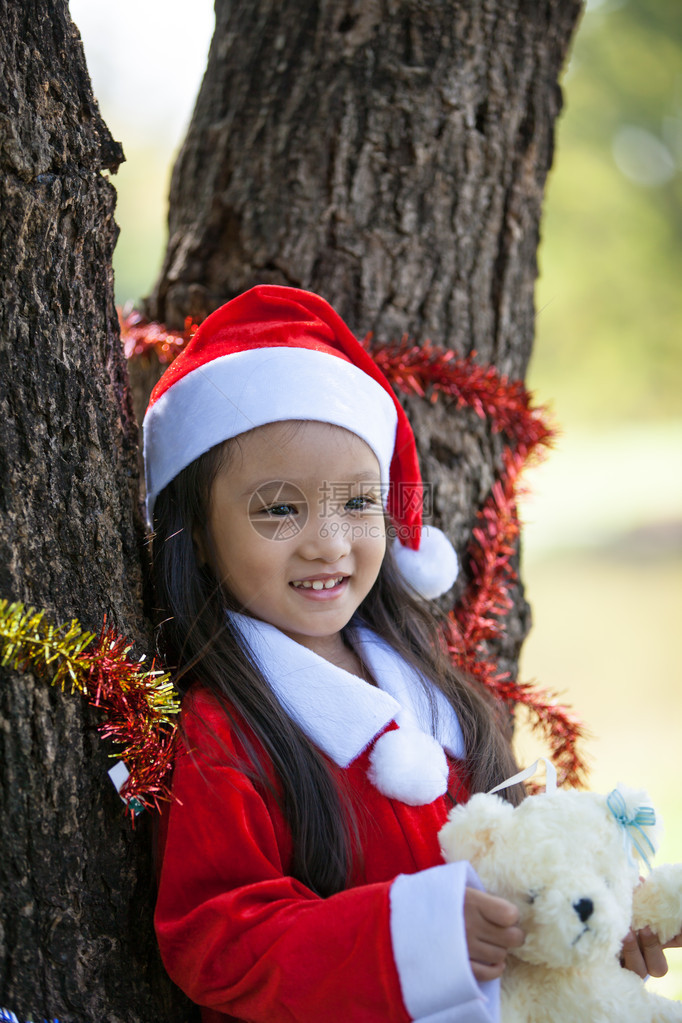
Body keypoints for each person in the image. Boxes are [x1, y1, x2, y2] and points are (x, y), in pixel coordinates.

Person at [145, 286, 671, 1023]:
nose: (328, 540)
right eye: (279, 507)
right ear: (197, 531)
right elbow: (220, 939)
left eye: (358, 503)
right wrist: (409, 937)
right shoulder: (221, 732)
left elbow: (515, 875)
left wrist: (592, 929)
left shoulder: (431, 688)